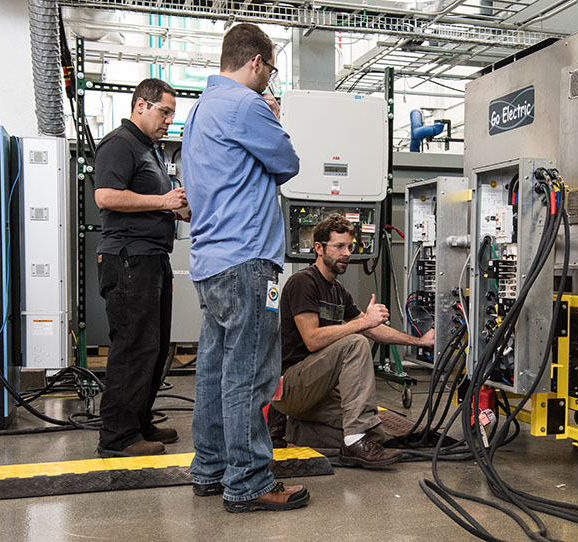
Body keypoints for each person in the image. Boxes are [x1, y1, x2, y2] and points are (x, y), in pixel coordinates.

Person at [182, 23, 308, 513]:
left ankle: (210, 469)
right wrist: (274, 116)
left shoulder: (198, 113)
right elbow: (288, 161)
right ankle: (250, 482)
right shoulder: (247, 105)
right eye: (270, 71)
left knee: (214, 372)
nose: (269, 81)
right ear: (255, 61)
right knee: (250, 375)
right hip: (248, 260)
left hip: (209, 263)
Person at [273, 214, 435, 468]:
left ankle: (297, 431)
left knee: (375, 434)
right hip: (292, 384)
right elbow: (312, 340)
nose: (347, 253)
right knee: (355, 343)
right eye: (339, 246)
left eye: (350, 246)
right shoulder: (303, 283)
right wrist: (362, 324)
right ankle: (353, 442)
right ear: (319, 248)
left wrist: (420, 342)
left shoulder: (339, 292)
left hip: (317, 393)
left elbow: (375, 330)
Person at [94, 78, 187, 457]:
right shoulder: (120, 144)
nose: (168, 120)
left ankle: (139, 422)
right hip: (129, 258)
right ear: (140, 106)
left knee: (154, 347)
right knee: (133, 348)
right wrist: (163, 202)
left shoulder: (149, 149)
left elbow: (156, 200)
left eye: (171, 114)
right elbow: (106, 195)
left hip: (151, 259)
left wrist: (177, 208)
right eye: (164, 112)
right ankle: (118, 436)